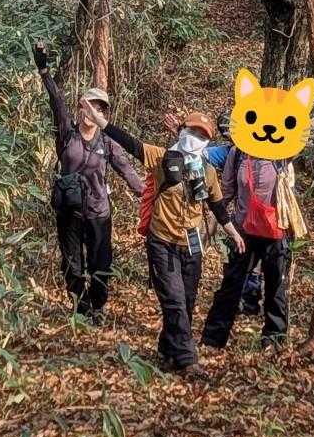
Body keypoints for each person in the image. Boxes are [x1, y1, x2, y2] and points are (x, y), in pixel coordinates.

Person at [104, 110, 245, 380]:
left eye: (203, 136)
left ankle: (168, 350)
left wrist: (233, 233)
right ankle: (188, 360)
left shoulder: (207, 171)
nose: (196, 139)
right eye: (192, 132)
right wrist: (102, 123)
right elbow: (132, 144)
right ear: (183, 131)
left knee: (187, 301)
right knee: (175, 300)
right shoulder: (162, 158)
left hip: (192, 244)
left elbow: (217, 206)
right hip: (162, 242)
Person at [32, 43, 143, 322]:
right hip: (69, 211)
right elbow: (57, 102)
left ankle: (98, 306)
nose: (94, 112)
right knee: (72, 264)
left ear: (105, 115)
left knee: (101, 263)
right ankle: (81, 308)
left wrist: (147, 195)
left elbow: (127, 170)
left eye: (100, 109)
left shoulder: (107, 141)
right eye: (90, 106)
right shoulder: (67, 135)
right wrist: (44, 70)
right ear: (82, 108)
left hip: (98, 212)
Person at [200, 143, 300, 352]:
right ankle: (212, 339)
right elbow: (226, 192)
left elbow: (298, 136)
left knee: (275, 287)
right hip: (243, 232)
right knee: (231, 284)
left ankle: (274, 341)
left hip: (275, 231)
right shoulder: (237, 153)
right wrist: (212, 225)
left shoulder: (282, 151)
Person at [206, 112, 261, 316]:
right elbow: (226, 191)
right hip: (242, 221)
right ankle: (234, 303)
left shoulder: (272, 151)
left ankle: (251, 303)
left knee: (258, 264)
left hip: (268, 222)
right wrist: (214, 220)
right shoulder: (232, 153)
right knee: (237, 261)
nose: (230, 134)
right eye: (226, 132)